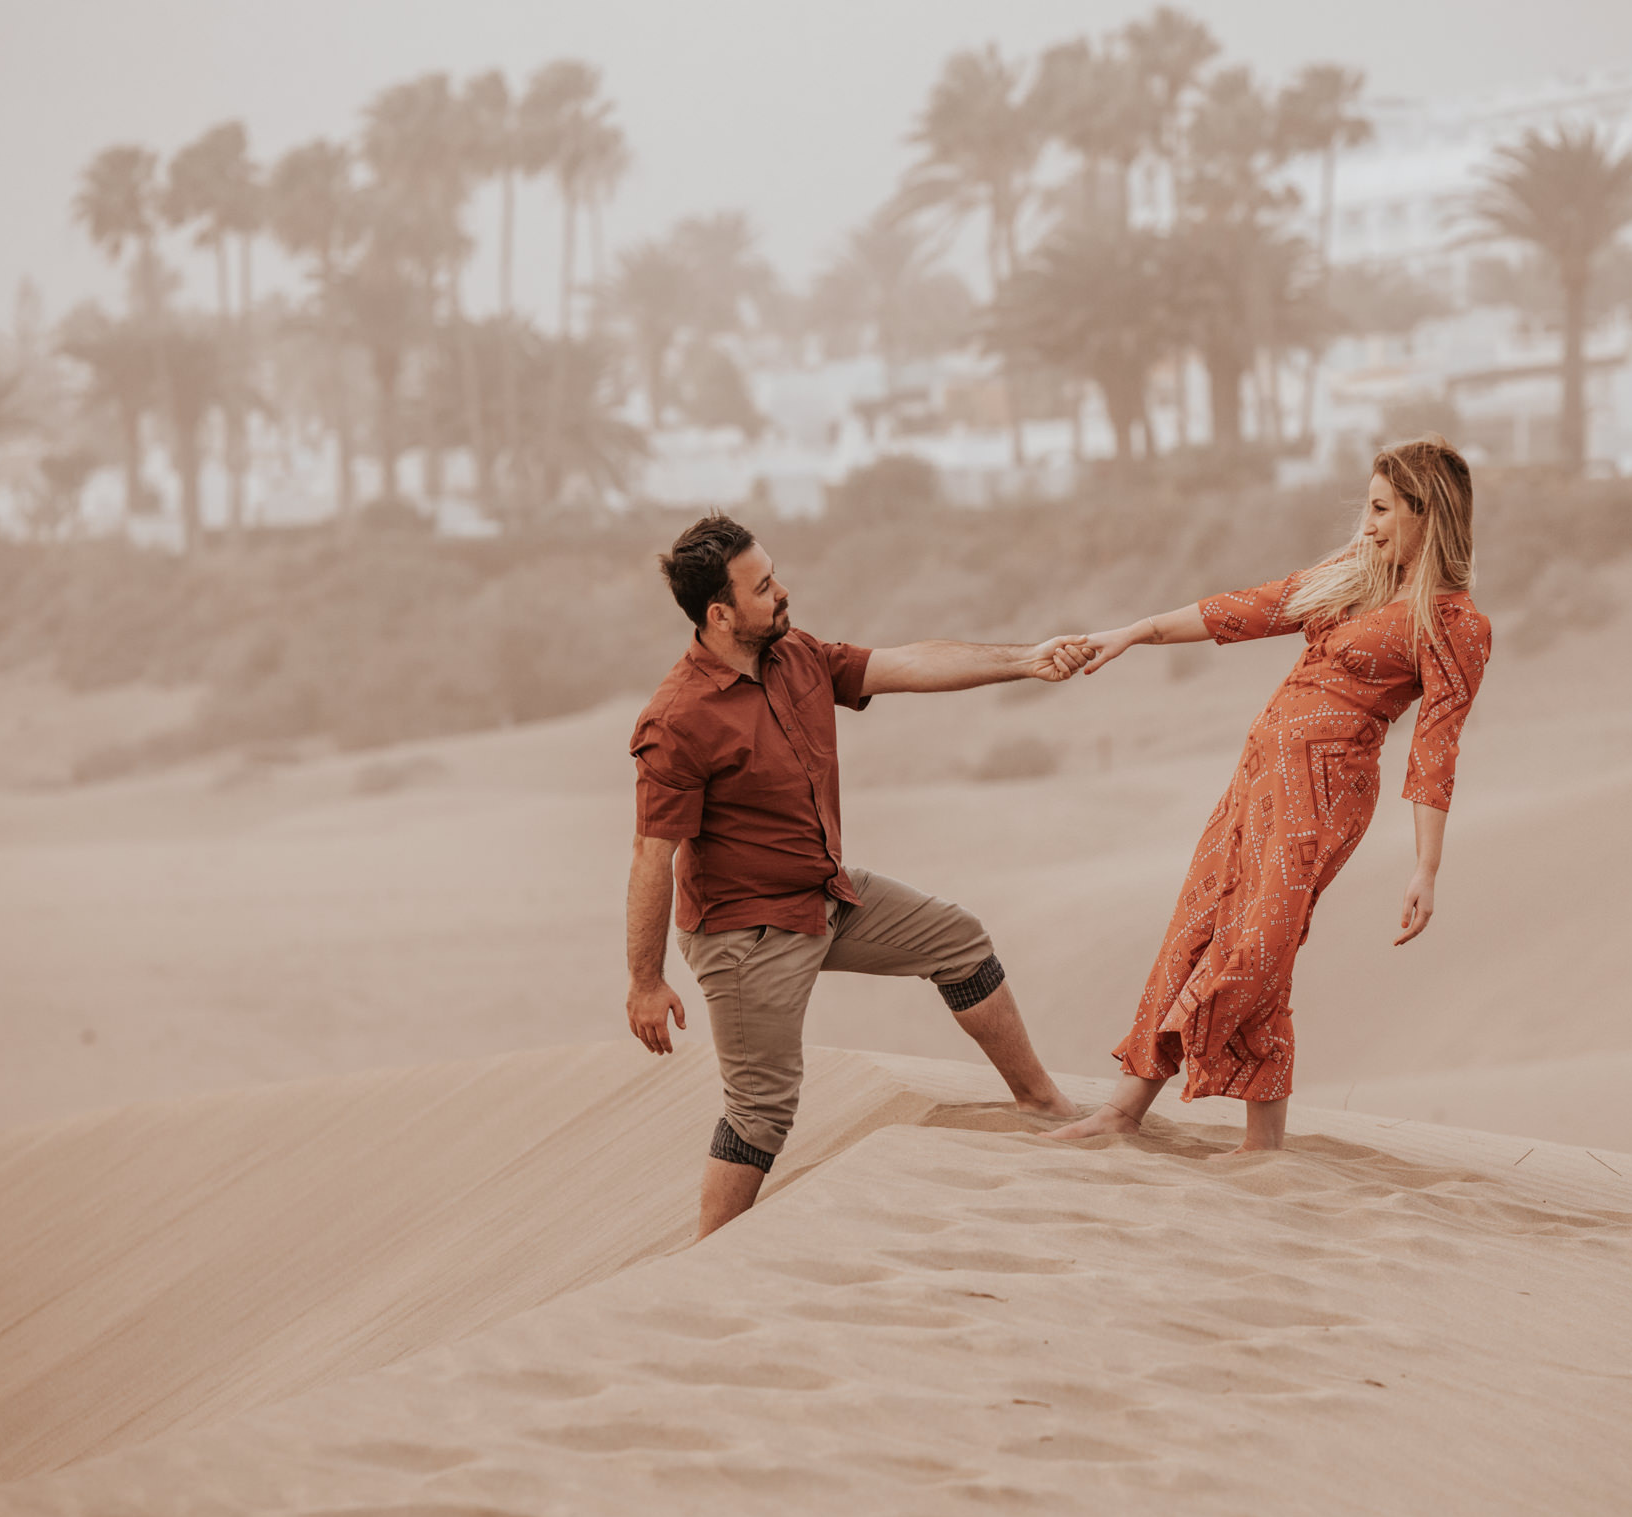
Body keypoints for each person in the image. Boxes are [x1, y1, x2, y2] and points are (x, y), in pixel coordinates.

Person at [628, 513, 1090, 1236]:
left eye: (774, 574)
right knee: (762, 1113)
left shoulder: (795, 656)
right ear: (720, 615)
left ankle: (1042, 1104)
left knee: (958, 941)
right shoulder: (679, 719)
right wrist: (645, 982)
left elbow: (906, 664)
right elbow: (652, 856)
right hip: (747, 935)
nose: (783, 591)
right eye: (764, 585)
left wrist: (1026, 659)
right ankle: (708, 1257)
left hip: (826, 894)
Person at [1047, 437, 1493, 1156]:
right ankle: (1126, 1112)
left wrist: (1427, 868)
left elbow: (1436, 749)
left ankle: (1261, 1149)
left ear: (1424, 511)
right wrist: (1133, 632)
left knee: (1258, 950)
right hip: (1256, 780)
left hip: (1324, 794)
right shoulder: (1356, 575)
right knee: (1198, 923)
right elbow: (1246, 610)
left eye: (1381, 509)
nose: (1369, 524)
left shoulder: (1456, 625)